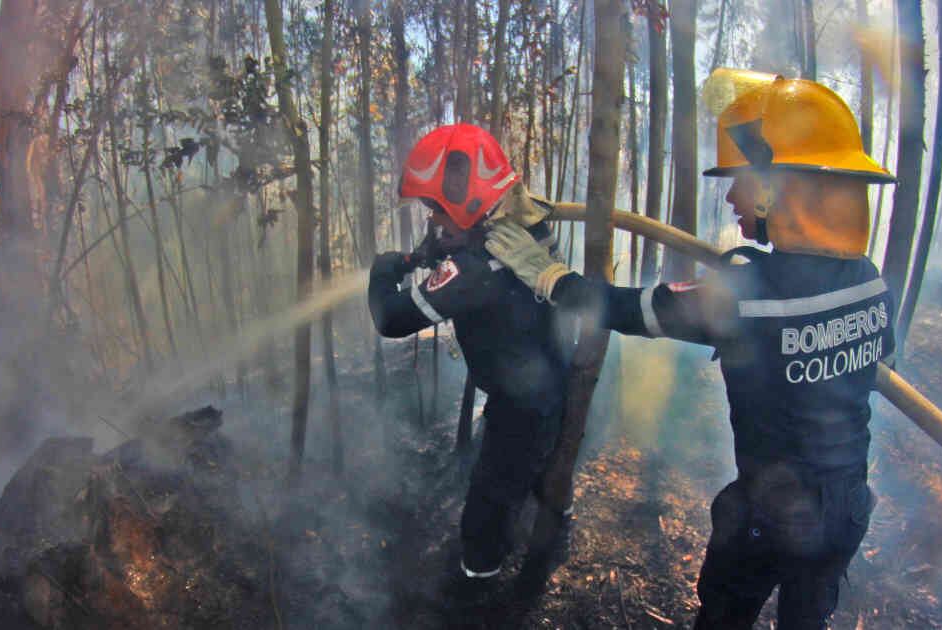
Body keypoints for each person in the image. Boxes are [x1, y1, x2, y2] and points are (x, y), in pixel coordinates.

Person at [484, 69, 897, 628]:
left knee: (724, 615)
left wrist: (545, 272)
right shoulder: (868, 279)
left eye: (743, 181)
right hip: (849, 507)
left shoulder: (748, 290)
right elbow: (877, 363)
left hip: (769, 513)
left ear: (778, 187)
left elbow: (625, 311)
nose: (731, 195)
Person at [367, 123, 571, 597]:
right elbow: (451, 247)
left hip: (522, 403)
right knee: (539, 467)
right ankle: (552, 523)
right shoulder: (522, 227)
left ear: (471, 199)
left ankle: (479, 585)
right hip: (543, 381)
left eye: (439, 207)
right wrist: (418, 255)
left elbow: (391, 319)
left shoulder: (479, 268)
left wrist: (382, 275)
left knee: (489, 501)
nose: (434, 218)